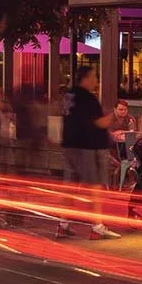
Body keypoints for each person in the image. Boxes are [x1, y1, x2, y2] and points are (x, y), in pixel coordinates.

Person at [57, 67, 119, 239]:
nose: (96, 81)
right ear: (85, 78)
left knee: (69, 185)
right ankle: (97, 226)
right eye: (94, 77)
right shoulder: (88, 98)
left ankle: (63, 224)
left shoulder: (69, 95)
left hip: (69, 145)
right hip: (86, 147)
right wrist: (113, 117)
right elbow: (98, 123)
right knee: (94, 186)